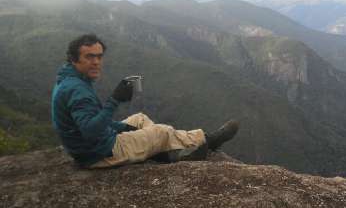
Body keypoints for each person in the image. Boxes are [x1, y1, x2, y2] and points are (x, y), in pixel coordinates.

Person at [51, 33, 239, 168]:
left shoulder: (71, 81)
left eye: (99, 56)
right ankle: (207, 140)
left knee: (139, 119)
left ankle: (165, 153)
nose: (96, 62)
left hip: (92, 147)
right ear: (74, 59)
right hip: (100, 152)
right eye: (89, 57)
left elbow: (90, 122)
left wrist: (123, 127)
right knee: (161, 131)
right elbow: (91, 131)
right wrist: (114, 100)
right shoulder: (77, 90)